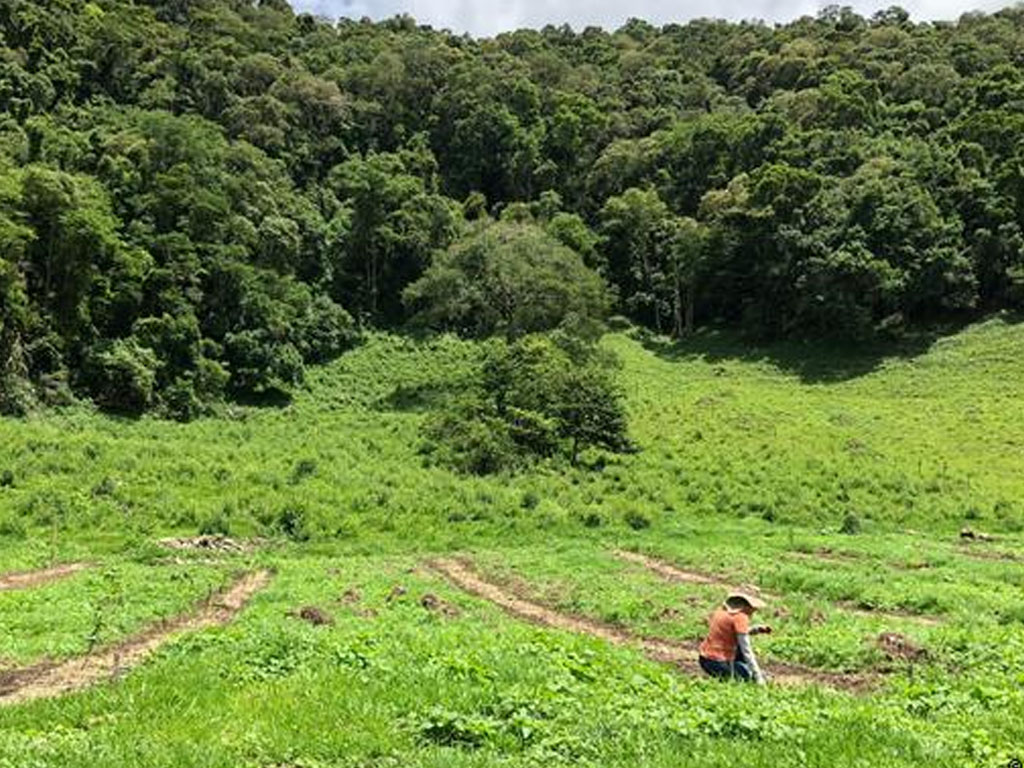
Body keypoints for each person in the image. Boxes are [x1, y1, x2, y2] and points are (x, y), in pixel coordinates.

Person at [698, 591, 772, 685]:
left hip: (704, 659)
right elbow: (746, 650)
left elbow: (729, 631)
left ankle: (743, 670)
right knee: (747, 679)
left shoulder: (722, 610)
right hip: (718, 662)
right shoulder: (741, 617)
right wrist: (758, 677)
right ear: (748, 605)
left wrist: (756, 629)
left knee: (743, 667)